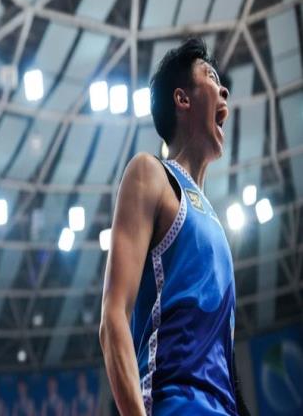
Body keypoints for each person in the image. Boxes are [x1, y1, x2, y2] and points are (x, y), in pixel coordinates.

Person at [99, 38, 249, 415]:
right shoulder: (150, 174)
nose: (224, 90)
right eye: (211, 77)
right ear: (182, 99)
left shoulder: (215, 222)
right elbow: (113, 318)